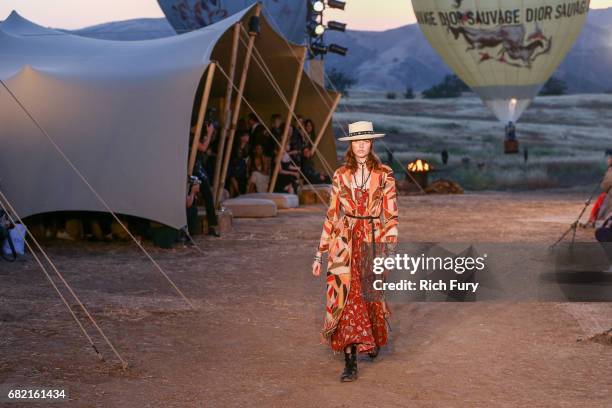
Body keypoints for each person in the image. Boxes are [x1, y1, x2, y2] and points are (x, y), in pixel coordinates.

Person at [312, 120, 399, 382]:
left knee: (370, 294)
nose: (361, 145)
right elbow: (331, 214)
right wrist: (320, 253)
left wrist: (391, 251)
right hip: (345, 242)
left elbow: (391, 215)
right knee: (348, 298)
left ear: (371, 143)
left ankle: (371, 339)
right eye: (356, 141)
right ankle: (350, 360)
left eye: (366, 140)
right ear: (351, 144)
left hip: (372, 239)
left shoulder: (385, 174)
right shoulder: (340, 175)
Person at [191, 123, 220, 237]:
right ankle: (193, 227)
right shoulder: (190, 136)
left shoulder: (195, 135)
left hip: (197, 166)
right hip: (192, 168)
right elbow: (203, 148)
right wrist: (209, 133)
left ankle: (212, 226)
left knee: (208, 194)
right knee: (194, 197)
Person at [227, 130, 250, 197]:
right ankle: (237, 192)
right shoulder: (236, 146)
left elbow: (246, 158)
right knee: (232, 175)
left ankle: (238, 192)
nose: (248, 137)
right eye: (246, 136)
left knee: (238, 175)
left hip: (242, 165)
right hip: (234, 164)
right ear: (241, 137)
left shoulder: (247, 147)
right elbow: (235, 157)